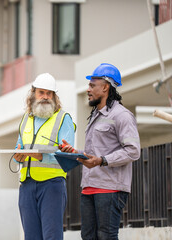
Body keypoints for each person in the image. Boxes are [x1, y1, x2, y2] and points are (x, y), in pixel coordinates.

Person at [61, 63, 140, 240]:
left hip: (110, 189)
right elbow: (94, 154)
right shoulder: (95, 116)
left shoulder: (122, 116)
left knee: (106, 236)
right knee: (88, 236)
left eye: (92, 85)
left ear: (105, 87)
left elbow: (133, 151)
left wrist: (102, 160)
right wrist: (74, 152)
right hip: (89, 187)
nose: (88, 89)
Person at [13, 73, 75, 240]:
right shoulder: (26, 119)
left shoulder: (63, 119)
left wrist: (41, 157)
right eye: (41, 92)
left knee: (52, 237)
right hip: (26, 185)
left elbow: (67, 157)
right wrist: (18, 156)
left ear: (54, 96)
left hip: (52, 185)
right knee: (31, 237)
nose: (45, 97)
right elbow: (18, 147)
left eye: (49, 93)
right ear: (33, 94)